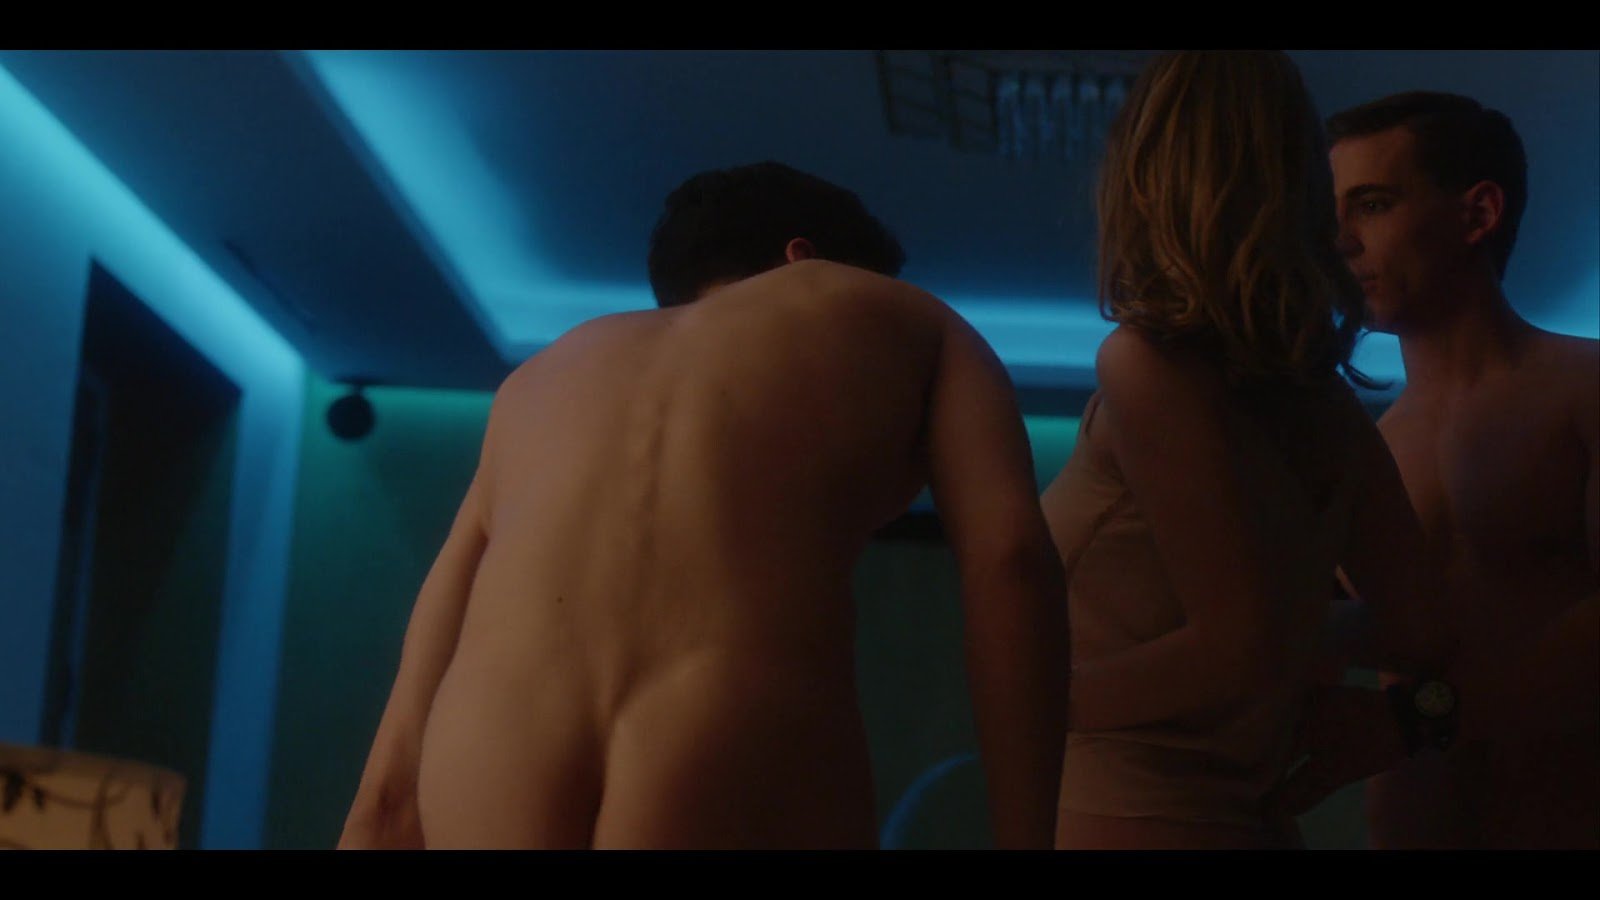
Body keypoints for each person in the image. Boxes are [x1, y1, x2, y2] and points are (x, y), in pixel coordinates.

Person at [335, 161, 1071, 849]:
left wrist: (378, 817)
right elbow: (1009, 563)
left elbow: (421, 681)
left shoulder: (541, 375)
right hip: (731, 730)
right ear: (805, 258)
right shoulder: (909, 318)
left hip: (487, 746)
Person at [1039, 51, 1452, 849]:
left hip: (1129, 813)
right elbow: (1419, 628)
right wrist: (1297, 638)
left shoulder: (1147, 366)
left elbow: (1236, 644)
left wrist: (1045, 696)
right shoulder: (1327, 405)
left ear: (1147, 176)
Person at [1269, 91, 1599, 849]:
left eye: (1373, 204)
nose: (1340, 242)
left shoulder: (1585, 393)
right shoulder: (1358, 450)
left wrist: (1417, 719)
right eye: (1330, 214)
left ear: (1478, 213)